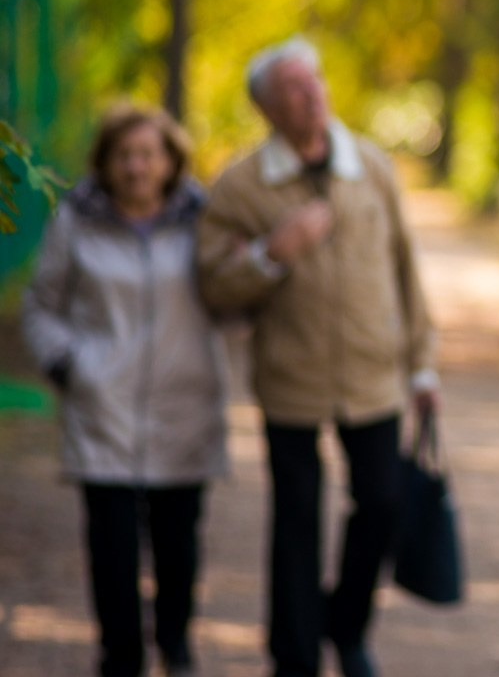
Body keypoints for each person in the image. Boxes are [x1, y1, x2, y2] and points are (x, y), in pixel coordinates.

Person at [194, 37, 438, 677]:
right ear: (268, 109)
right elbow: (214, 286)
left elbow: (405, 266)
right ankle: (294, 655)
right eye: (294, 90)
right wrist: (271, 254)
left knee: (382, 504)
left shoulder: (371, 165)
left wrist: (423, 364)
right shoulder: (242, 185)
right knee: (297, 521)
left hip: (375, 372)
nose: (313, 96)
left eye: (316, 82)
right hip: (291, 380)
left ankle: (346, 628)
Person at [22, 103, 228, 677]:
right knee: (112, 554)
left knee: (178, 549)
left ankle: (176, 643)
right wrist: (68, 365)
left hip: (184, 408)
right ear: (106, 163)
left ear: (170, 162)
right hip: (102, 411)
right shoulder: (77, 220)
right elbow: (41, 304)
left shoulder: (202, 218)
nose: (136, 167)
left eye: (148, 154)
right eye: (125, 155)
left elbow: (232, 292)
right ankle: (120, 656)